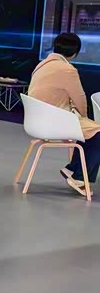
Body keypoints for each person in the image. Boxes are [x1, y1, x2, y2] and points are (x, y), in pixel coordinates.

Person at [28, 33, 100, 194]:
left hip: (36, 120)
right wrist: (84, 117)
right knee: (96, 132)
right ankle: (79, 178)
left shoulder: (42, 65)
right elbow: (80, 98)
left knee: (90, 130)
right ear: (75, 53)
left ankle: (72, 169)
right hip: (53, 121)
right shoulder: (67, 69)